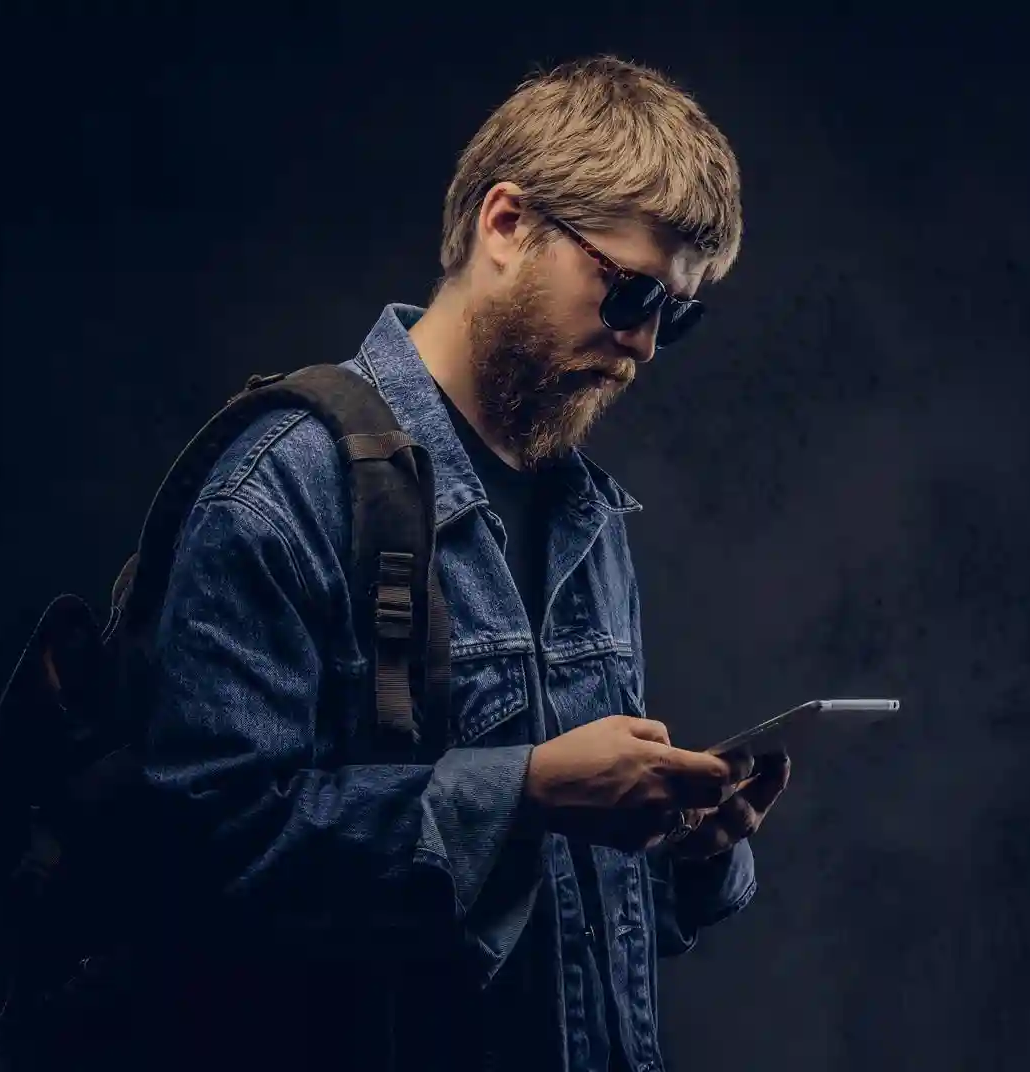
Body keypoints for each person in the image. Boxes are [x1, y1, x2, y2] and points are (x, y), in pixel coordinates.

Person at [109, 56, 786, 1072]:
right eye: (630, 292)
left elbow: (562, 913)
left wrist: (689, 852)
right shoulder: (281, 487)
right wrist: (526, 791)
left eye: (673, 314)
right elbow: (207, 864)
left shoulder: (583, 513)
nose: (643, 345)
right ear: (506, 225)